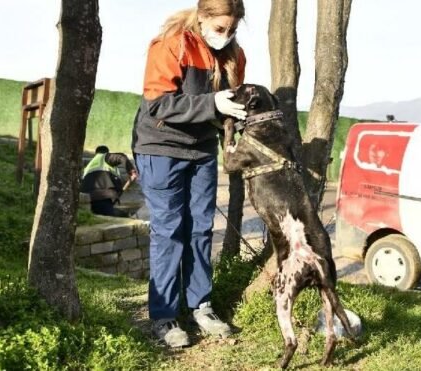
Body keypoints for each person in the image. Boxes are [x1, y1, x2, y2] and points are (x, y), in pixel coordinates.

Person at [131, 0, 247, 348]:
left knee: (200, 226)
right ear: (202, 18)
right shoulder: (171, 43)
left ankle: (201, 305)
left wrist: (235, 120)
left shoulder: (235, 56)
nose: (224, 37)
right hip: (161, 147)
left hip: (201, 149)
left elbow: (231, 103)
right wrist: (212, 104)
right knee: (169, 231)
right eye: (219, 29)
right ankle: (164, 316)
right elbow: (157, 104)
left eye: (231, 30)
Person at [80, 145, 138, 218]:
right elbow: (121, 156)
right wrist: (131, 171)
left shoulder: (89, 166)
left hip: (88, 200)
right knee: (114, 218)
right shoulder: (104, 157)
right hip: (102, 197)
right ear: (107, 152)